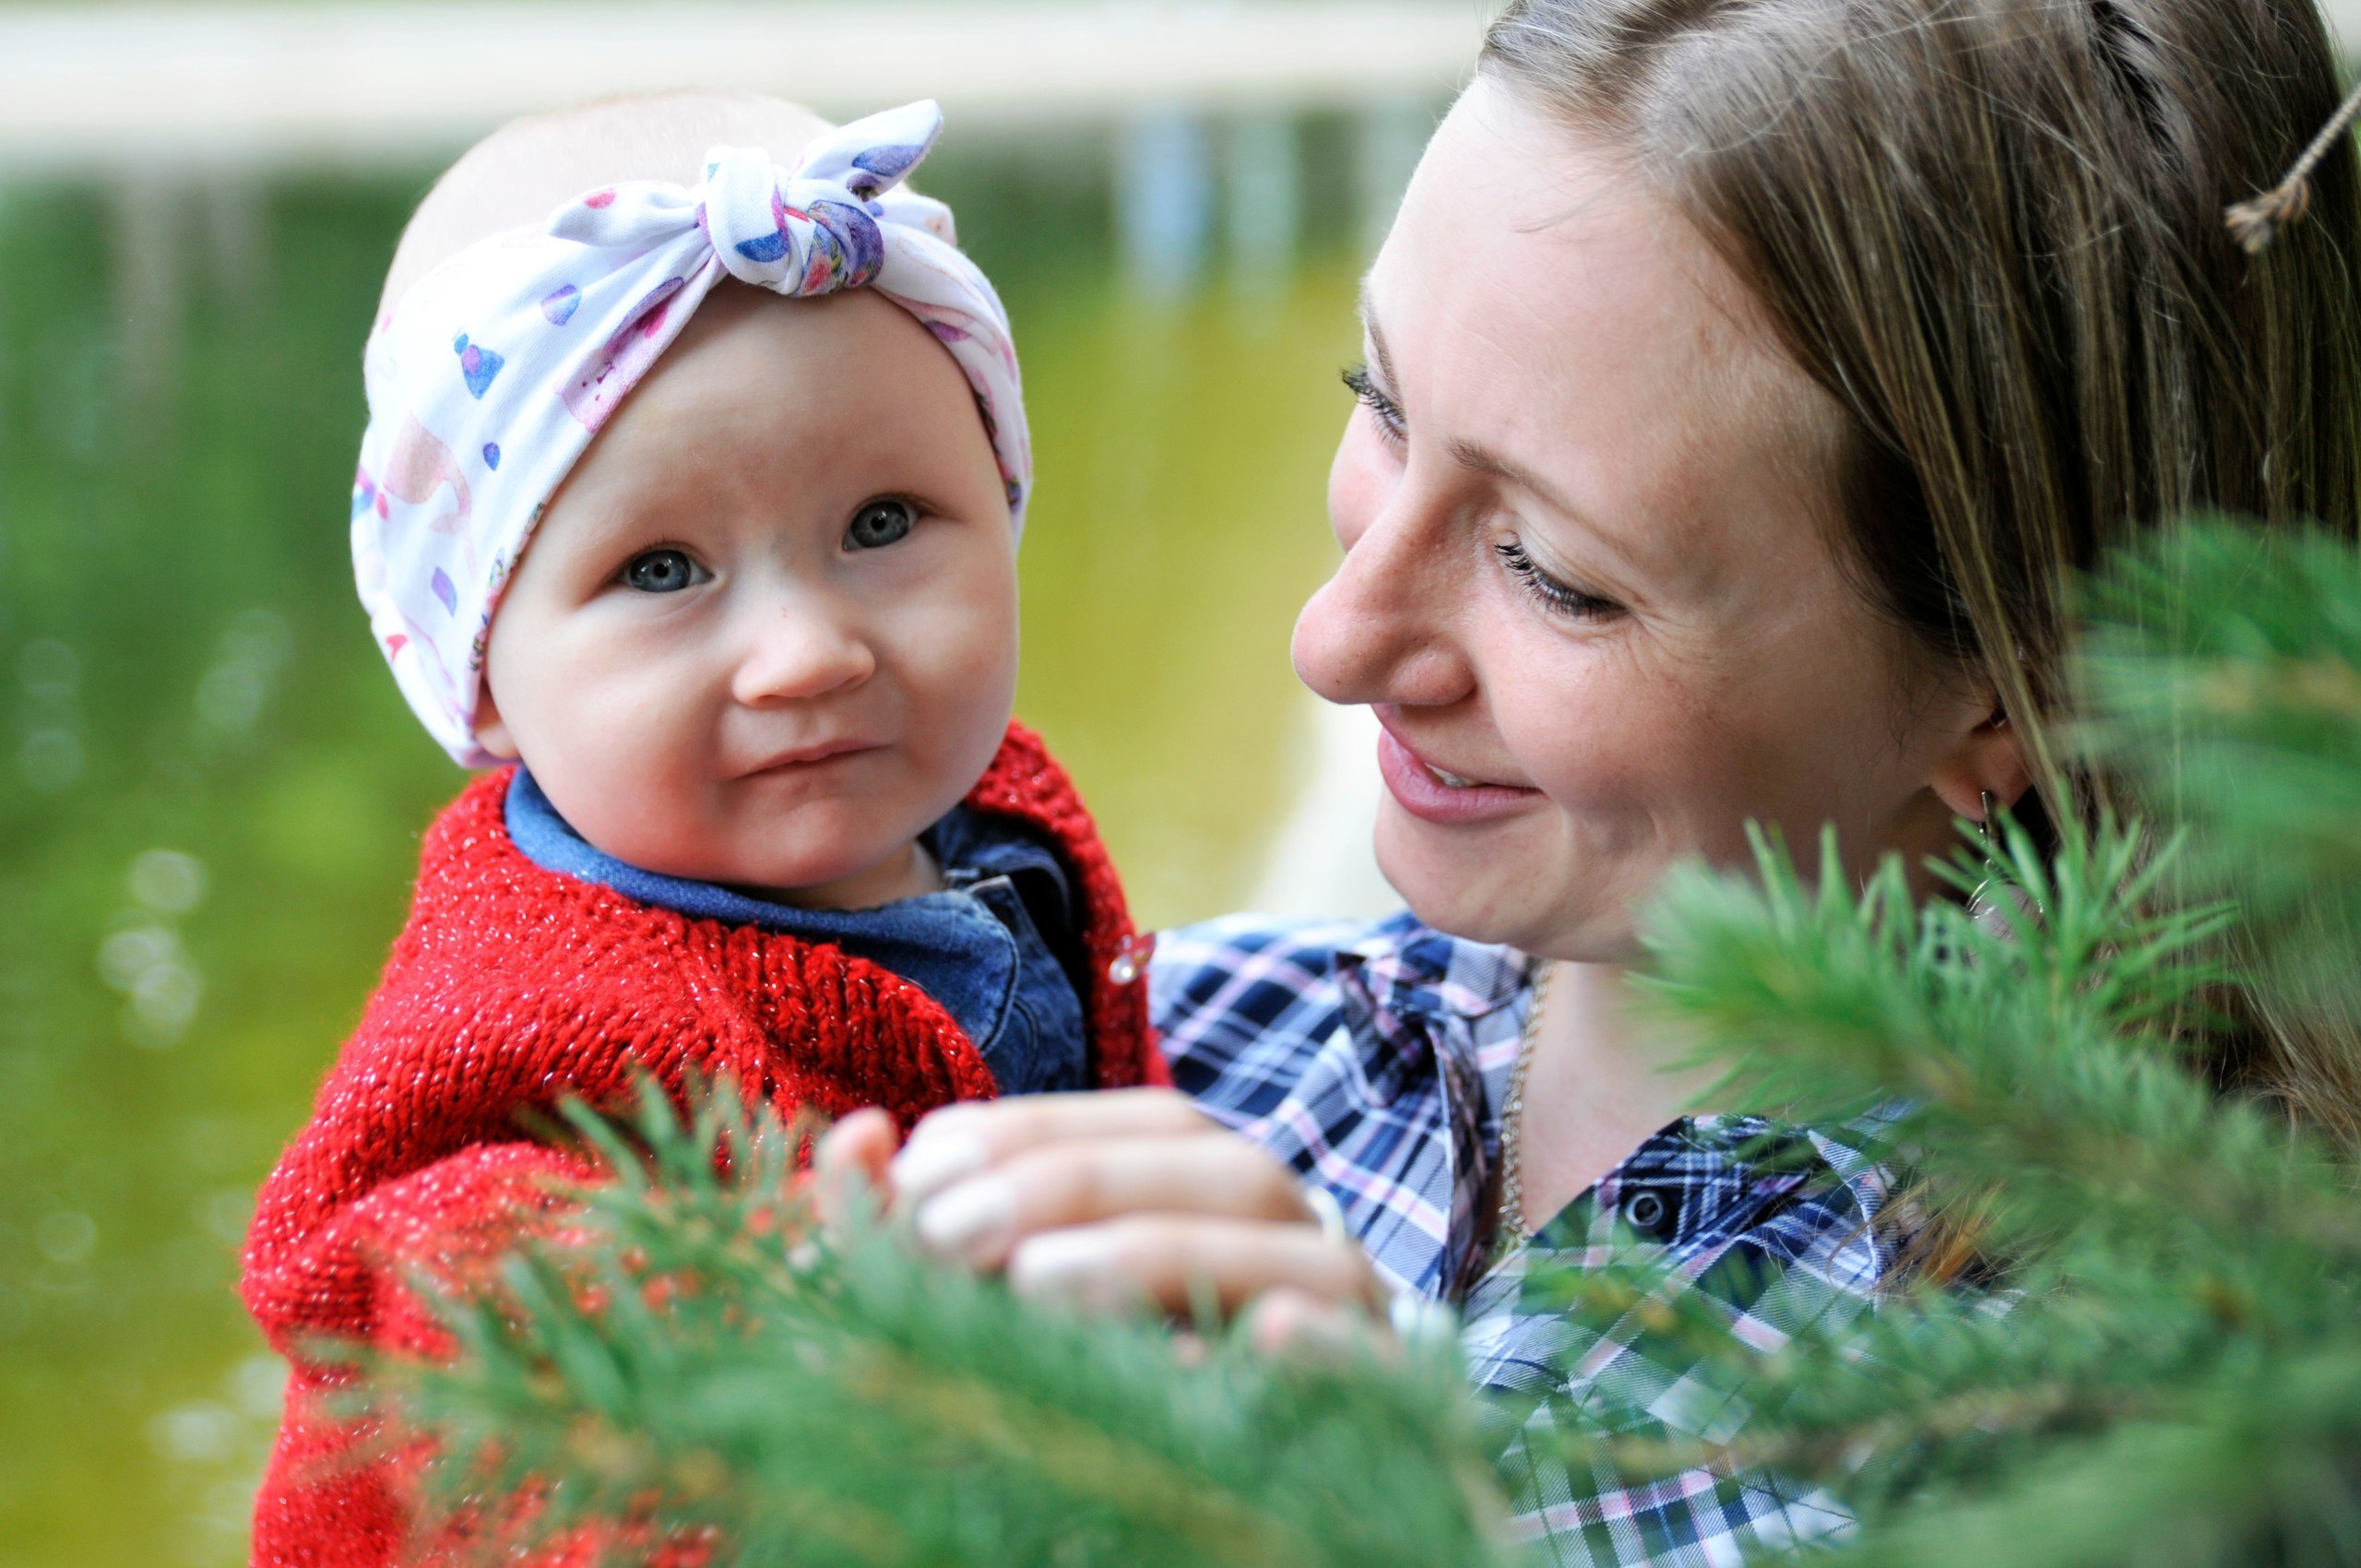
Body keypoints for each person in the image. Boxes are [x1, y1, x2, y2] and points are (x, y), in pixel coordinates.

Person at [818, 0, 2361, 1558]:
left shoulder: (2175, 1442)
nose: (1335, 640)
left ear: (2017, 685)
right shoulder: (1141, 1054)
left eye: (1554, 574)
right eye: (1379, 404)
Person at [241, 94, 1164, 1566]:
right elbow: (425, 1317)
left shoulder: (999, 826)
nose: (807, 652)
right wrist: (760, 1337)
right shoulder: (524, 1026)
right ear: (480, 666)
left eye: (884, 524)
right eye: (663, 567)